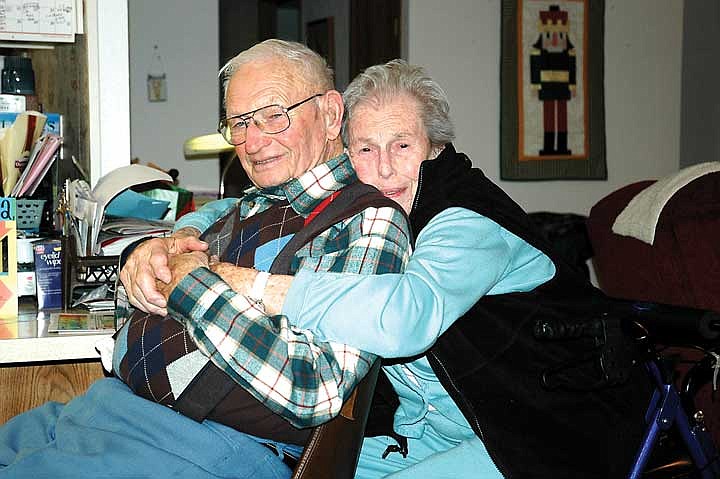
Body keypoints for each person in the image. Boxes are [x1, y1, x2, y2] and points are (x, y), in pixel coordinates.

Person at [145, 59, 654, 478]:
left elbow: (405, 317)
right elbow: (257, 201)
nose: (384, 167)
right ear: (346, 155)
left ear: (435, 148)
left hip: (539, 432)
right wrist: (183, 234)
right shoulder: (378, 210)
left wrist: (255, 286)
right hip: (424, 434)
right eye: (366, 148)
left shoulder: (465, 220)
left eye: (402, 146)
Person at [0, 40, 410, 479]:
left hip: (206, 444)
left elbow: (313, 386)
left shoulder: (367, 221)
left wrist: (189, 283)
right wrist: (141, 267)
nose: (252, 142)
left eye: (274, 115)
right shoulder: (244, 208)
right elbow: (130, 312)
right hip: (107, 410)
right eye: (239, 123)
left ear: (331, 114)